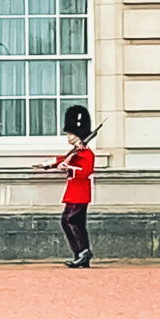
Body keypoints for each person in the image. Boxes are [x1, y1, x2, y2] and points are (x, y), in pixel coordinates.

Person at [38, 105, 95, 269]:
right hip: (75, 191)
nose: (69, 137)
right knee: (78, 223)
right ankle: (81, 255)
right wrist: (48, 164)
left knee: (68, 220)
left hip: (80, 192)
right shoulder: (77, 152)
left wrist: (67, 167)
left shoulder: (87, 153)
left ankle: (83, 251)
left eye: (72, 134)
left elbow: (85, 172)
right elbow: (65, 158)